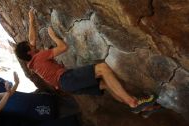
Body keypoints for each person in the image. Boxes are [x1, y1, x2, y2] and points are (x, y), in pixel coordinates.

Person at [15, 9, 155, 111]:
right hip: (66, 79)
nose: (34, 45)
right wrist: (53, 36)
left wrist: (31, 18)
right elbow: (63, 47)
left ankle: (138, 106)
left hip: (66, 87)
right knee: (102, 68)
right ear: (29, 52)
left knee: (106, 84)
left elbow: (31, 40)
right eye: (31, 47)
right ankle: (132, 102)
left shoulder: (32, 64)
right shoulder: (39, 56)